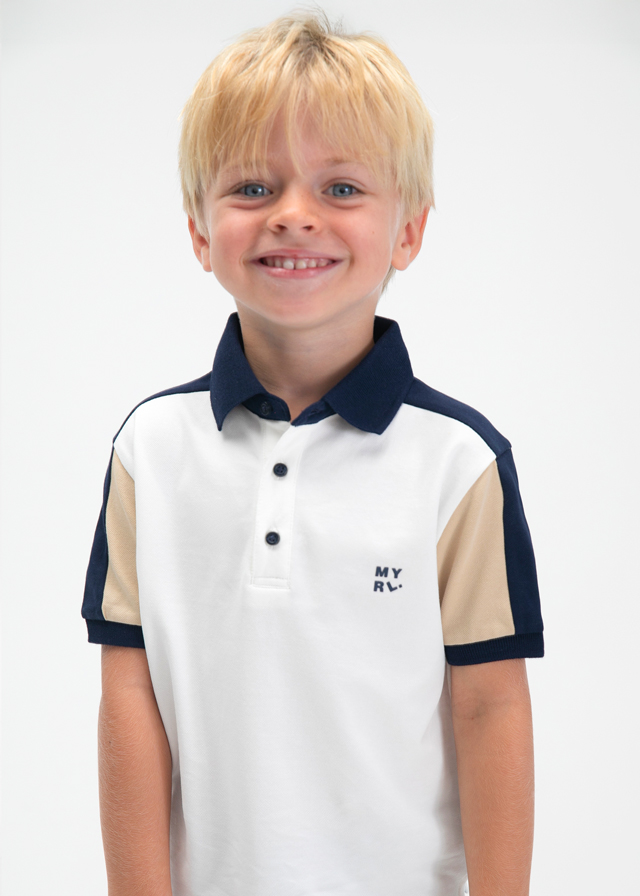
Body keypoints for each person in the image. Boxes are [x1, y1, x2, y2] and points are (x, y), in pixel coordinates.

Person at [82, 11, 544, 896]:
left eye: (341, 188)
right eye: (253, 187)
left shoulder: (460, 462)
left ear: (408, 231)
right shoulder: (150, 450)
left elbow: (490, 707)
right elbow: (129, 700)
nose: (294, 216)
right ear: (199, 230)